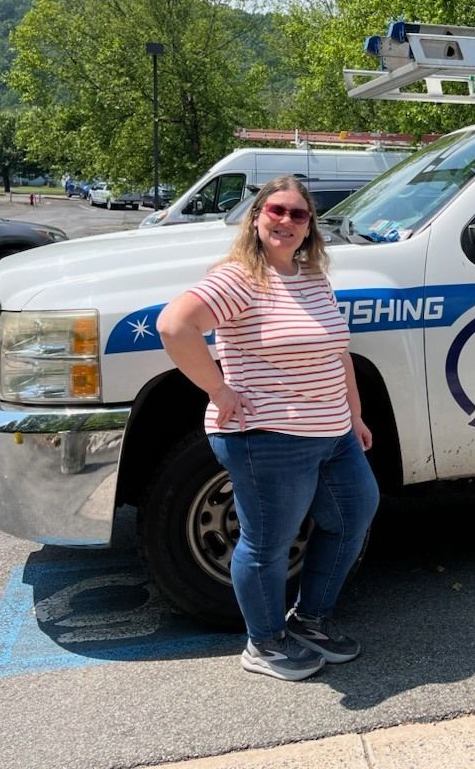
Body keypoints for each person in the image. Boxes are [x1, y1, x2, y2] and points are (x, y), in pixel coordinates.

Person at [158, 175, 380, 680]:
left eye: (298, 214)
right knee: (267, 543)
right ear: (256, 217)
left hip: (334, 432)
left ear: (309, 228)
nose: (286, 221)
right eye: (276, 211)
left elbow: (337, 354)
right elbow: (175, 325)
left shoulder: (310, 276)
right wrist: (219, 391)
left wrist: (356, 415)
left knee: (351, 516)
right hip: (268, 437)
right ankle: (265, 643)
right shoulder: (238, 278)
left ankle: (310, 621)